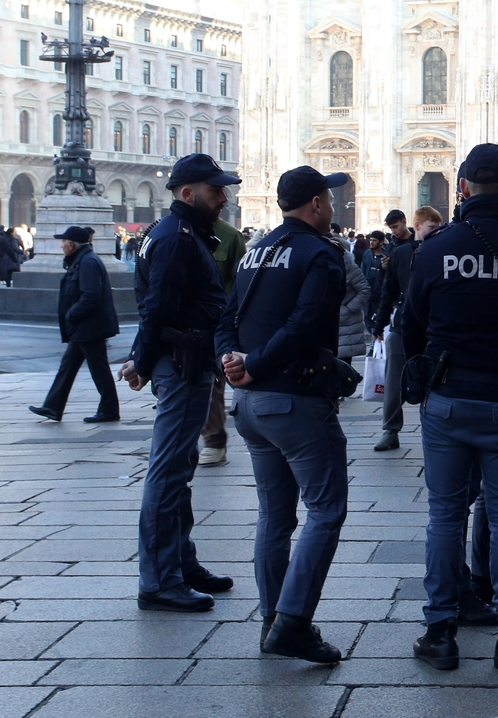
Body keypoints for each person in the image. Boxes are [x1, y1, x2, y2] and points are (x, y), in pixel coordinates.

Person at [406, 143, 498, 671]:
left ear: (463, 187)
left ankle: (441, 630)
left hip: (447, 399)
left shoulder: (436, 249)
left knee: (445, 515)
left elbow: (411, 323)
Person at [217, 167, 351, 663]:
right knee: (326, 509)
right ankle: (293, 623)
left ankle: (271, 618)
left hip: (251, 407)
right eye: (330, 200)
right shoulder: (320, 252)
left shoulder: (257, 249)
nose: (333, 208)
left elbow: (226, 316)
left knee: (274, 515)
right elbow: (304, 323)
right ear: (316, 203)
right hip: (293, 399)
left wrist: (233, 362)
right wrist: (254, 365)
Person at [117, 153, 239, 612]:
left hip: (185, 359)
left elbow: (155, 302)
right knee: (168, 473)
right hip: (183, 363)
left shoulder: (174, 234)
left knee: (179, 468)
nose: (223, 199)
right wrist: (142, 362)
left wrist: (141, 357)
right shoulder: (175, 239)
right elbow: (157, 307)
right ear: (187, 194)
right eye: (215, 191)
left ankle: (181, 563)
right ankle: (160, 579)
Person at [29, 226, 121, 423]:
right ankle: (53, 406)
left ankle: (109, 409)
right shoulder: (82, 260)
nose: (61, 245)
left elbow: (91, 295)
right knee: (68, 366)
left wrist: (72, 314)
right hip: (85, 325)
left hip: (89, 325)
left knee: (98, 368)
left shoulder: (87, 262)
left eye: (63, 242)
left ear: (71, 245)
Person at [370, 209, 421, 452]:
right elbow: (387, 290)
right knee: (393, 379)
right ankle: (390, 430)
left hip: (432, 326)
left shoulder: (438, 252)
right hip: (401, 322)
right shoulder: (397, 252)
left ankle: (436, 428)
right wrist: (378, 325)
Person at [198, 219, 247, 467]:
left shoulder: (230, 236)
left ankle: (214, 440)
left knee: (216, 380)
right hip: (183, 323)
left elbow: (244, 283)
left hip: (220, 323)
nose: (223, 199)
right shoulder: (170, 232)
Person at [337, 249, 371, 362]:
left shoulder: (349, 267)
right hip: (326, 323)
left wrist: (349, 308)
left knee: (343, 367)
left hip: (346, 322)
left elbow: (364, 289)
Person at [360, 231, 388, 327]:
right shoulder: (367, 254)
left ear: (381, 242)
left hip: (381, 291)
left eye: (374, 240)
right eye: (370, 240)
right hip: (368, 291)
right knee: (368, 319)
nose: (371, 242)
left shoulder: (386, 255)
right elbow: (362, 271)